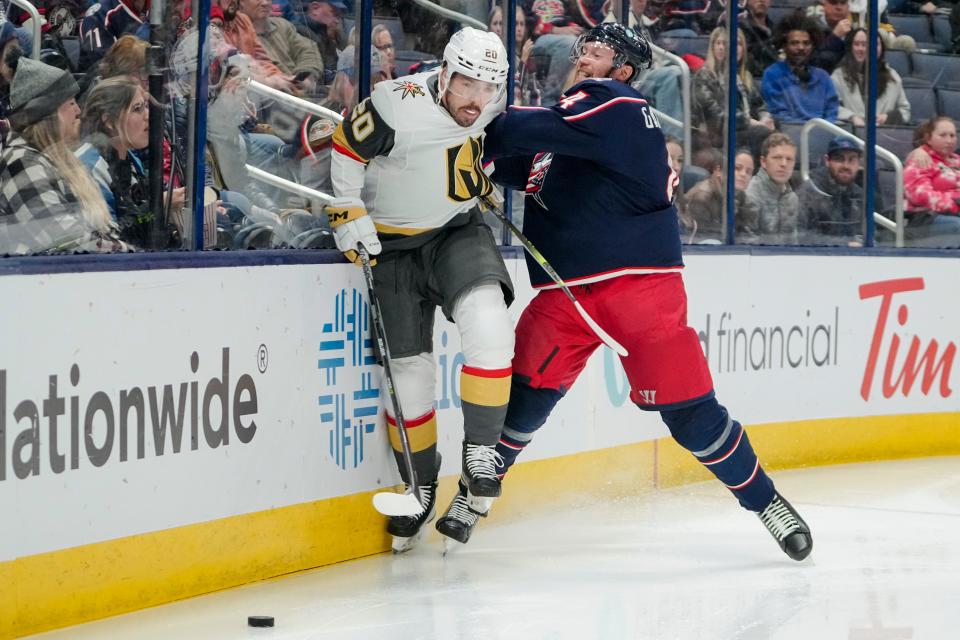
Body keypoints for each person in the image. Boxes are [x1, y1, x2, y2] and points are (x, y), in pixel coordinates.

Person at [476, 22, 812, 561]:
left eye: (597, 50)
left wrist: (466, 102)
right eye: (581, 48)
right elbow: (506, 156)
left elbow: (509, 131)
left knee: (693, 416)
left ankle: (766, 502)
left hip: (638, 290)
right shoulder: (573, 137)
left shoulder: (615, 105)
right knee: (527, 395)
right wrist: (475, 157)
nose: (583, 56)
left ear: (625, 70)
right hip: (565, 295)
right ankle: (476, 497)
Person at [325, 27, 515, 551]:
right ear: (446, 74)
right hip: (392, 250)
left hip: (457, 231)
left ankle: (479, 452)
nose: (477, 100)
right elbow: (345, 143)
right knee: (408, 377)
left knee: (490, 324)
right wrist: (347, 207)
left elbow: (503, 148)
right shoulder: (394, 103)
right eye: (468, 85)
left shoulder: (494, 108)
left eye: (489, 88)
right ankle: (421, 483)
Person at [0, 57, 128, 254]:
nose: (78, 110)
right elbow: (68, 240)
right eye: (70, 103)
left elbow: (102, 232)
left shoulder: (59, 161)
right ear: (49, 113)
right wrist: (130, 254)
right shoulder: (20, 162)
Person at [76, 76, 185, 248]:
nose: (148, 116)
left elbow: (141, 219)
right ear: (110, 121)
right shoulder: (90, 169)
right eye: (137, 109)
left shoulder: (129, 158)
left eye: (146, 106)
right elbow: (111, 239)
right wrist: (158, 205)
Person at [692, 26, 774, 157]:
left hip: (743, 129)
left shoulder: (744, 77)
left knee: (775, 128)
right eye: (718, 43)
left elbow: (760, 105)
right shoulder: (705, 76)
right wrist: (750, 122)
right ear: (712, 47)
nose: (722, 47)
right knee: (762, 134)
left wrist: (765, 117)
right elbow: (716, 117)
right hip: (719, 135)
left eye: (739, 44)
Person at [762, 14, 839, 124]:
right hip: (788, 134)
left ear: (813, 45)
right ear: (784, 45)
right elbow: (779, 116)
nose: (801, 48)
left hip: (823, 133)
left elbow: (831, 113)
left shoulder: (823, 77)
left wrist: (821, 131)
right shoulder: (772, 74)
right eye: (794, 43)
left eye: (806, 43)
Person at [237, 0, 324, 92]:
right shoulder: (235, 34)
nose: (265, 3)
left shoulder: (282, 25)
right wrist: (271, 82)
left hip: (300, 95)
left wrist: (305, 76)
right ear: (240, 2)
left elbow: (308, 49)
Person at [830, 28, 910, 127]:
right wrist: (851, 117)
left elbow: (905, 111)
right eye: (856, 44)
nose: (861, 49)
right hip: (851, 134)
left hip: (883, 134)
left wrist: (888, 117)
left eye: (865, 45)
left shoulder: (892, 76)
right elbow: (832, 107)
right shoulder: (838, 76)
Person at [902, 116, 960, 246]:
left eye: (952, 135)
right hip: (926, 219)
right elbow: (919, 195)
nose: (949, 140)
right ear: (929, 138)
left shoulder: (958, 160)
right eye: (943, 135)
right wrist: (956, 205)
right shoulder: (921, 159)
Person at [796, 136, 865, 245]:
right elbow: (801, 237)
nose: (846, 165)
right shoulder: (809, 193)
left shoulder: (860, 195)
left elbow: (875, 235)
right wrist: (845, 244)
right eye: (839, 159)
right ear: (827, 161)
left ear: (859, 164)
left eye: (852, 159)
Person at [684, 147, 757, 243]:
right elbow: (705, 239)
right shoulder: (702, 197)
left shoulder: (741, 196)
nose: (743, 174)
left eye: (748, 172)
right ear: (718, 170)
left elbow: (747, 233)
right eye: (737, 168)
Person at [743, 132, 801, 244]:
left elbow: (793, 243)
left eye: (789, 159)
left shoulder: (792, 198)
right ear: (763, 162)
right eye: (777, 158)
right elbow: (747, 244)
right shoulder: (750, 195)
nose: (784, 164)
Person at [296, 0, 349, 84]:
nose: (337, 21)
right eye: (334, 14)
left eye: (339, 16)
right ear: (315, 8)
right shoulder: (300, 34)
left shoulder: (335, 36)